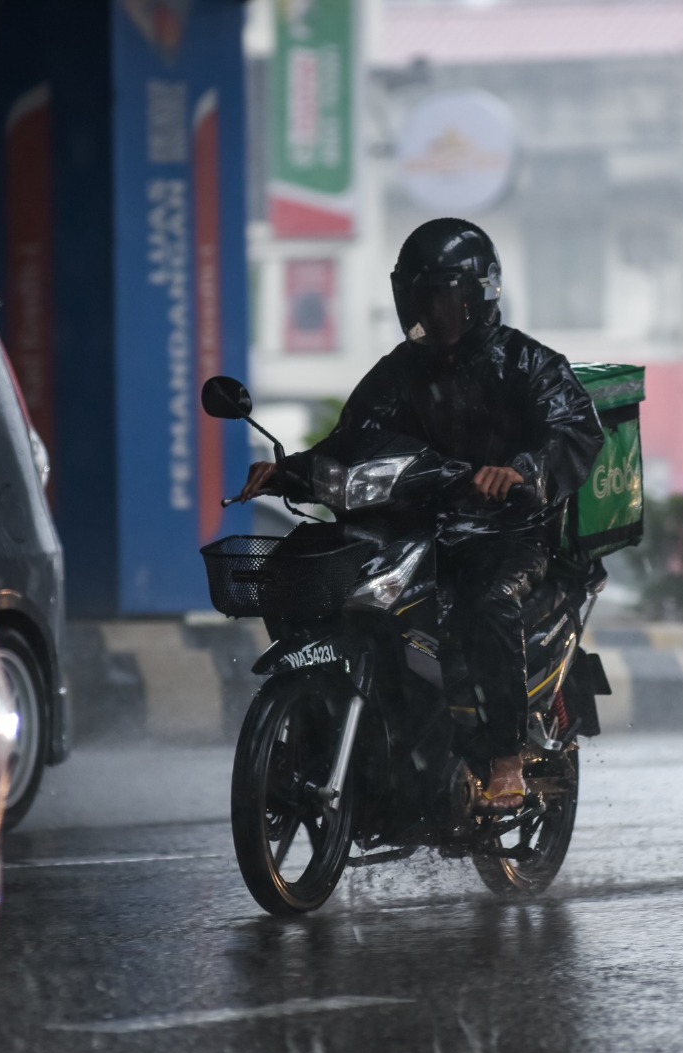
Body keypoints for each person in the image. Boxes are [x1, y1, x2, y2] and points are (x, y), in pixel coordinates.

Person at [237, 218, 604, 811]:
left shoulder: (527, 364)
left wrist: (524, 472)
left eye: (443, 296)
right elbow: (352, 441)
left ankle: (506, 756)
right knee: (304, 569)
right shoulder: (399, 372)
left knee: (483, 603)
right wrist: (292, 470)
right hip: (412, 532)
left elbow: (575, 434)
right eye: (419, 296)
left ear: (479, 294)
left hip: (505, 534)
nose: (431, 311)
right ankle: (332, 734)